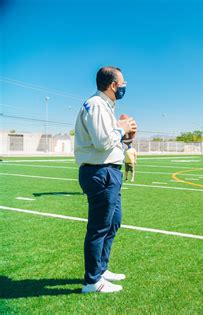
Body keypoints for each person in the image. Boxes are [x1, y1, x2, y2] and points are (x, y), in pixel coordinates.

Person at [74, 66, 137, 293]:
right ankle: (92, 281)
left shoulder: (105, 107)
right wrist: (121, 128)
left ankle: (100, 268)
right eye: (122, 83)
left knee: (113, 221)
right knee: (99, 227)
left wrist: (126, 138)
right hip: (100, 172)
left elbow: (110, 143)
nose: (124, 86)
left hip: (109, 170)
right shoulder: (97, 105)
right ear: (112, 85)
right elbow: (102, 142)